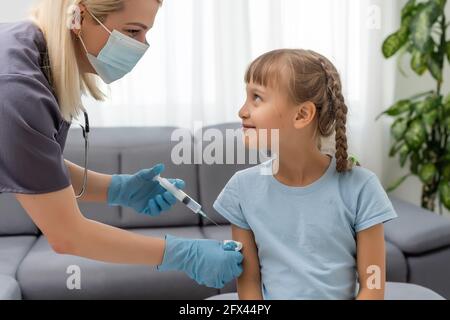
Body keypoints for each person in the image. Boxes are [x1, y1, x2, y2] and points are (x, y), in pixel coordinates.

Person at [0, 0, 242, 289]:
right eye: (132, 31)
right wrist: (182, 254)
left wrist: (119, 189)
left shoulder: (27, 54)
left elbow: (33, 167)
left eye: (145, 34)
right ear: (78, 16)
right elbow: (67, 236)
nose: (142, 46)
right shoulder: (16, 88)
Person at [213, 49, 398, 299]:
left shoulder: (362, 187)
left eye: (256, 97)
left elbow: (373, 286)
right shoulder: (241, 189)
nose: (242, 111)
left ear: (302, 115)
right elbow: (249, 282)